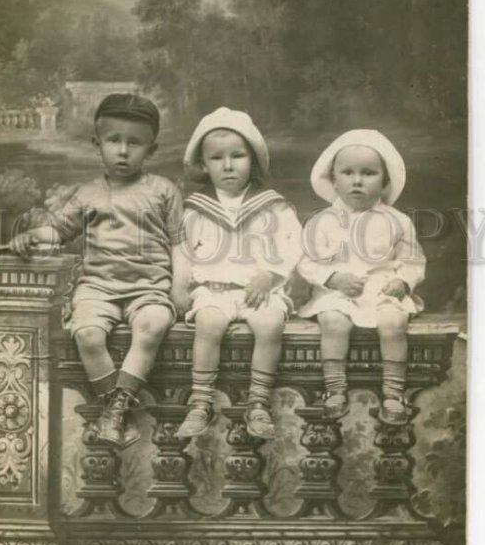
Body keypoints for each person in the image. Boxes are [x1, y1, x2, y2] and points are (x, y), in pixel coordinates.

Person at [11, 93, 186, 449]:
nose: (123, 150)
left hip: (148, 287)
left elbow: (178, 243)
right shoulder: (87, 194)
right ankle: (116, 408)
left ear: (151, 149)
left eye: (134, 143)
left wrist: (179, 286)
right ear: (97, 144)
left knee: (152, 325)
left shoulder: (163, 190)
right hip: (97, 288)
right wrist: (32, 235)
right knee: (87, 334)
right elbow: (58, 232)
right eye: (113, 140)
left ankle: (114, 412)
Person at [176, 108, 301, 440]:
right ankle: (200, 401)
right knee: (208, 322)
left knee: (270, 324)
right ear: (203, 165)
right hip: (213, 290)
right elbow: (183, 251)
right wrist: (180, 285)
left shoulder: (273, 206)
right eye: (217, 158)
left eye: (238, 156)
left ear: (254, 160)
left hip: (260, 290)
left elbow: (293, 247)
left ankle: (258, 402)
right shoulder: (196, 208)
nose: (228, 165)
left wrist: (270, 275)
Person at [297, 129, 426, 425]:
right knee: (332, 321)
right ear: (334, 180)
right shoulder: (322, 221)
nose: (357, 181)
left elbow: (413, 260)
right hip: (339, 292)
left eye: (368, 173)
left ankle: (393, 393)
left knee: (394, 322)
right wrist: (332, 278)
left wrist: (403, 281)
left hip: (383, 291)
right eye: (348, 173)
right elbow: (307, 261)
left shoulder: (398, 221)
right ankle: (335, 389)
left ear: (384, 181)